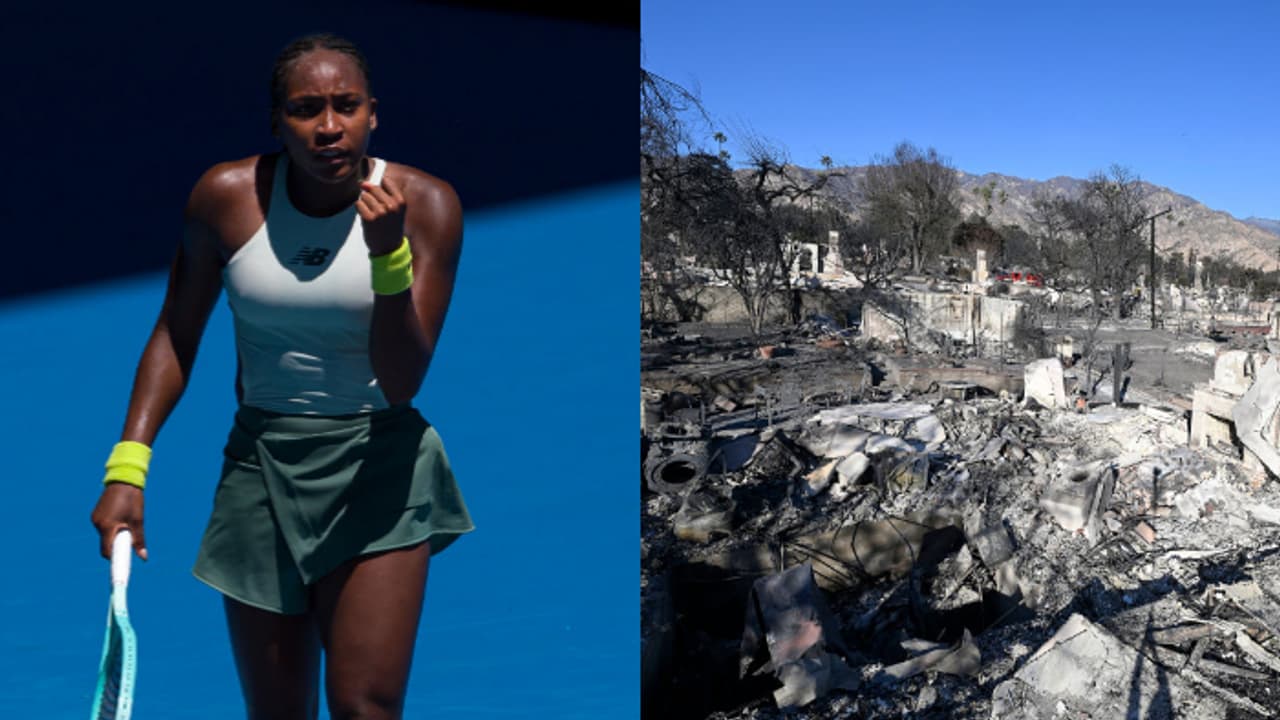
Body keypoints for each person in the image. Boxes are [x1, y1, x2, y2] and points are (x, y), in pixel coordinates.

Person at [89, 32, 474, 719]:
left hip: (381, 466)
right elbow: (176, 334)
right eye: (306, 109)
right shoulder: (224, 198)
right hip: (259, 469)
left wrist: (388, 261)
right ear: (278, 122)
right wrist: (128, 467)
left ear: (373, 114)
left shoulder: (428, 205)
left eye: (346, 105)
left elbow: (402, 380)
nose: (329, 127)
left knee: (365, 707)